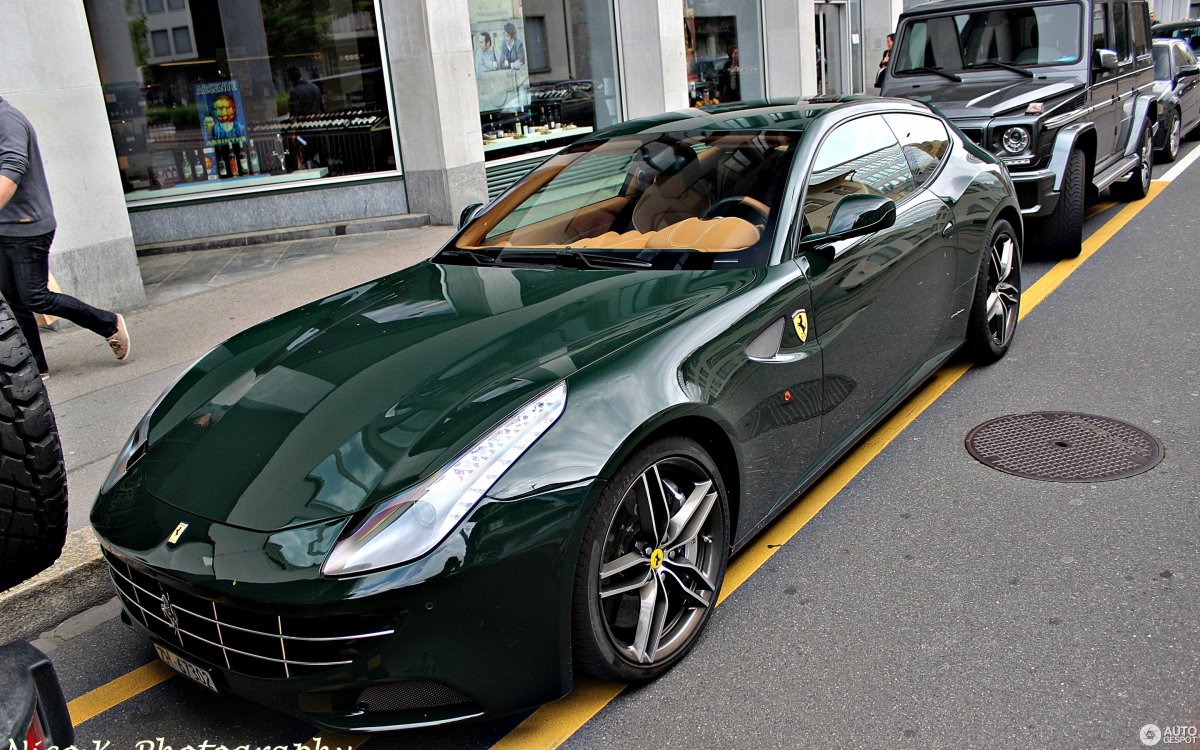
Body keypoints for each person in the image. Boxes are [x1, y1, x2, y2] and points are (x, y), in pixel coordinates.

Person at [0, 96, 130, 377]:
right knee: (14, 303)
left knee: (36, 298)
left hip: (28, 226)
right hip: (4, 227)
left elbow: (12, 169)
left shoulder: (7, 119)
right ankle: (34, 368)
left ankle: (109, 323)